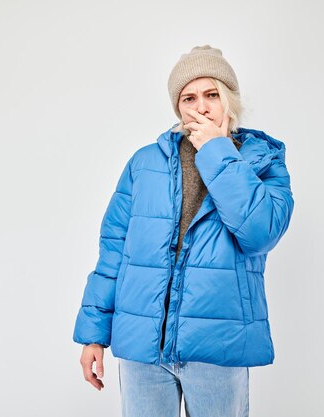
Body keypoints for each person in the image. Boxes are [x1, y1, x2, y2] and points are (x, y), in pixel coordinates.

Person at [73, 45, 294, 417]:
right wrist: (94, 332)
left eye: (212, 95)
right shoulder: (144, 163)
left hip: (217, 345)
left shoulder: (261, 162)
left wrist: (219, 152)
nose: (202, 107)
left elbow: (260, 233)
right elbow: (114, 251)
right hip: (144, 346)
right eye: (189, 97)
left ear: (229, 100)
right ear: (178, 106)